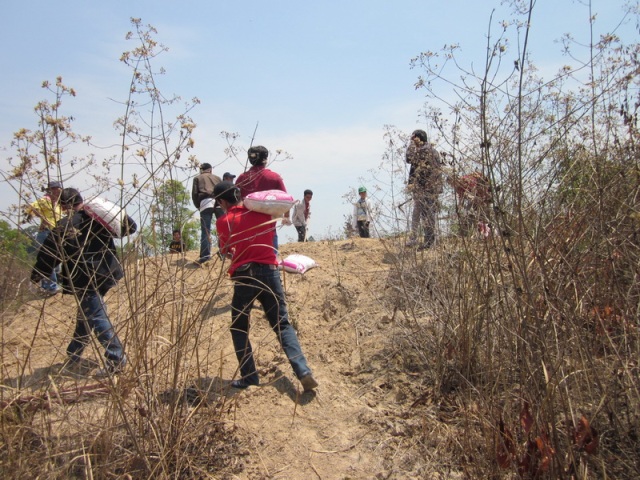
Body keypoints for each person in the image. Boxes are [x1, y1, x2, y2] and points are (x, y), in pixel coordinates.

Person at [214, 181, 318, 392]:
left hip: (245, 276)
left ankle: (250, 377)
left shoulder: (224, 221)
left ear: (222, 201)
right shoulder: (262, 214)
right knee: (282, 324)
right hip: (270, 272)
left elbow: (226, 250)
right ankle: (303, 371)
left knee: (239, 327)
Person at [30, 188, 137, 377]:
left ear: (63, 207)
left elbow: (49, 253)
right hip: (106, 272)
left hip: (84, 277)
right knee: (86, 313)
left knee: (96, 315)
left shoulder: (65, 225)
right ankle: (74, 354)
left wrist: (37, 275)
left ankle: (116, 359)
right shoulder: (98, 219)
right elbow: (129, 227)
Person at [235, 146, 291, 250]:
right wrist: (286, 217)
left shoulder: (242, 178)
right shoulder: (274, 177)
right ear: (265, 159)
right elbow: (286, 200)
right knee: (271, 255)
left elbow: (235, 201)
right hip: (268, 227)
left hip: (246, 228)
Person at [405, 129, 443, 249]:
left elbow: (408, 158)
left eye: (414, 138)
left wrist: (411, 143)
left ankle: (429, 242)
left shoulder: (423, 150)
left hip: (426, 188)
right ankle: (414, 238)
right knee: (419, 212)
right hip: (428, 188)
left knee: (427, 215)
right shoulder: (432, 150)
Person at [24, 180, 64, 295]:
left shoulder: (58, 203)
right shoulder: (45, 200)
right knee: (48, 261)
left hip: (56, 233)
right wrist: (42, 218)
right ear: (50, 190)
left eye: (58, 189)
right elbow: (30, 208)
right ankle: (50, 287)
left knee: (57, 263)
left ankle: (50, 285)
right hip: (46, 232)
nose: (56, 191)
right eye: (54, 189)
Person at [191, 163, 222, 264]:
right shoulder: (217, 178)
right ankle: (224, 252)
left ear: (201, 170)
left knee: (206, 230)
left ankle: (205, 256)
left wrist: (198, 205)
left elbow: (194, 194)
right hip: (219, 201)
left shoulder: (197, 178)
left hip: (205, 201)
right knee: (223, 229)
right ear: (210, 170)